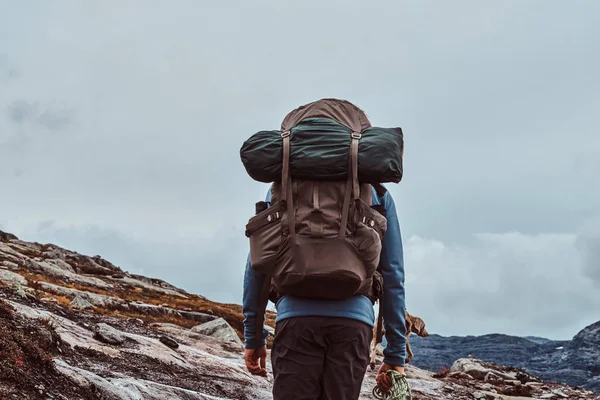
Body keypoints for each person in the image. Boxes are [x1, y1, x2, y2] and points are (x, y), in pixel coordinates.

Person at [242, 182, 408, 399]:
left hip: (296, 322)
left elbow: (257, 263)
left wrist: (253, 337)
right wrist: (395, 354)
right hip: (353, 325)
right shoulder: (375, 190)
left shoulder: (284, 184)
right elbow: (393, 273)